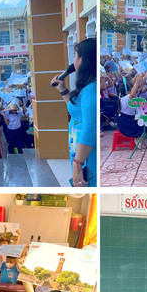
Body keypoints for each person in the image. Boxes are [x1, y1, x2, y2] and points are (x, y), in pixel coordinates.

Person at [51, 38, 97, 187]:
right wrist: (63, 90)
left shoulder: (91, 90)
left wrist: (78, 164)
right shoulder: (86, 87)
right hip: (79, 153)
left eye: (76, 55)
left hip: (87, 158)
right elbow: (76, 111)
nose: (74, 60)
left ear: (84, 60)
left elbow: (90, 131)